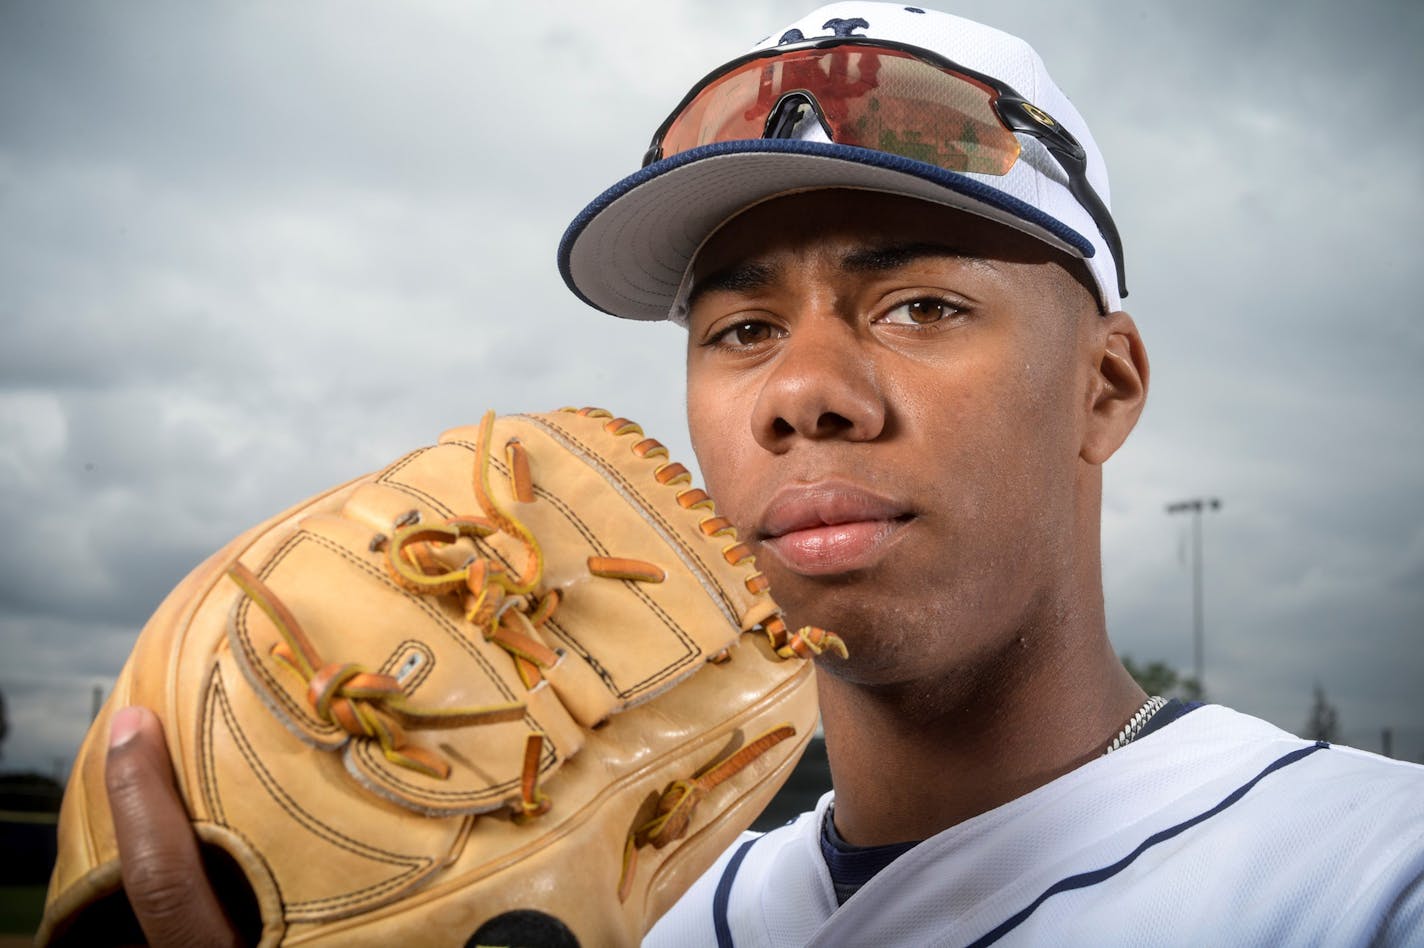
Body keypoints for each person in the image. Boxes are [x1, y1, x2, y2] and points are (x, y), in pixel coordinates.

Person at [98, 3, 1424, 945]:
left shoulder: (1366, 884)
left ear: (1107, 386)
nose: (802, 394)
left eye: (917, 305)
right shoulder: (642, 919)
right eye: (741, 330)